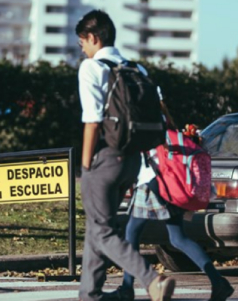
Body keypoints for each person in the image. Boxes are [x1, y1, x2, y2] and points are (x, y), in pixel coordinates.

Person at [75, 10, 176, 301]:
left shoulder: (91, 68)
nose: (82, 47)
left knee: (104, 232)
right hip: (132, 161)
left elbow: (92, 120)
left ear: (93, 37)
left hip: (104, 160)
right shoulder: (136, 69)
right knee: (98, 228)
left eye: (83, 41)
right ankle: (89, 295)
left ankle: (151, 279)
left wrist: (85, 166)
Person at [117, 102, 234, 301]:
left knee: (132, 233)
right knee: (177, 238)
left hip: (152, 183)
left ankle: (127, 287)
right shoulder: (164, 121)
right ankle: (218, 282)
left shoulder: (145, 119)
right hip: (169, 183)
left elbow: (138, 151)